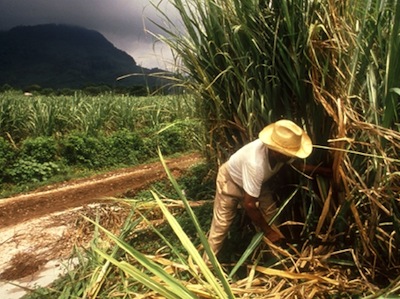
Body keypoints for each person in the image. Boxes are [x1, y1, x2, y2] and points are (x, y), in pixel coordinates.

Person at [206, 119, 313, 258]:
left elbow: (296, 166)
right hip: (230, 181)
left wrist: (324, 171)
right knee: (221, 226)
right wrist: (268, 232)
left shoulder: (283, 154)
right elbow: (249, 204)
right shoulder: (255, 163)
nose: (292, 157)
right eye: (289, 155)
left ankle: (277, 258)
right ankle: (205, 266)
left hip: (258, 185)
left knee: (272, 216)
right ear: (277, 152)